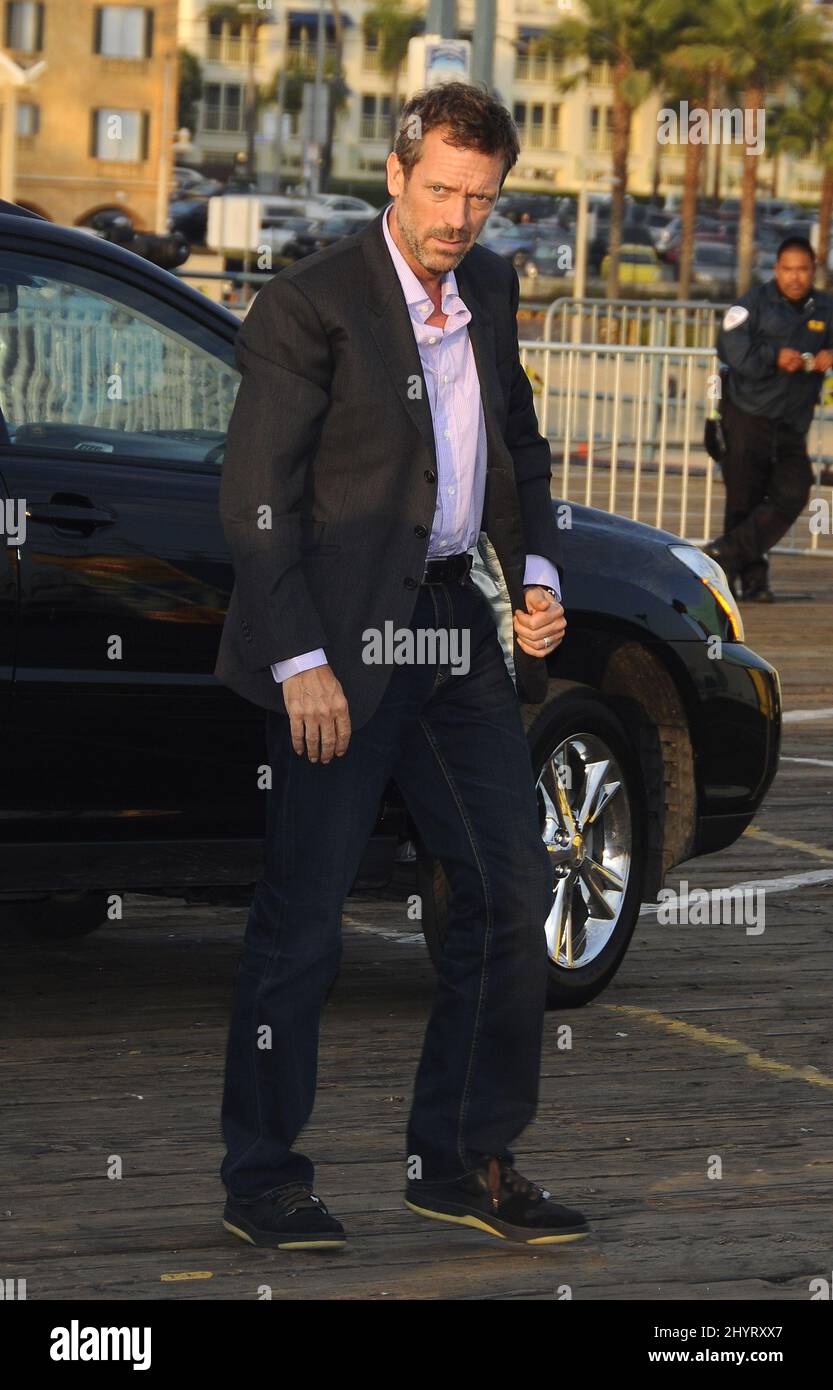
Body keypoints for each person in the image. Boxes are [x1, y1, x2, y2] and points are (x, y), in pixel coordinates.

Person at [213, 82, 590, 1250]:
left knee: (509, 889)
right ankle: (265, 1178)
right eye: (439, 190)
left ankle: (461, 1157)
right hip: (332, 642)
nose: (458, 217)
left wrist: (537, 574)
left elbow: (515, 444)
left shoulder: (487, 284)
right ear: (394, 173)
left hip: (448, 630)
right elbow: (256, 498)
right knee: (304, 922)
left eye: (479, 196)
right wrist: (299, 659)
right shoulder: (310, 302)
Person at [705, 236, 833, 601]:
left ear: (813, 271)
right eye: (788, 269)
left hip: (791, 423)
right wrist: (773, 356)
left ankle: (723, 556)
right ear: (777, 270)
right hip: (747, 415)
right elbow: (729, 345)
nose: (795, 277)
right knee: (743, 500)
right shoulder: (753, 304)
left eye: (803, 270)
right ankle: (750, 583)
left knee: (794, 490)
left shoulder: (825, 308)